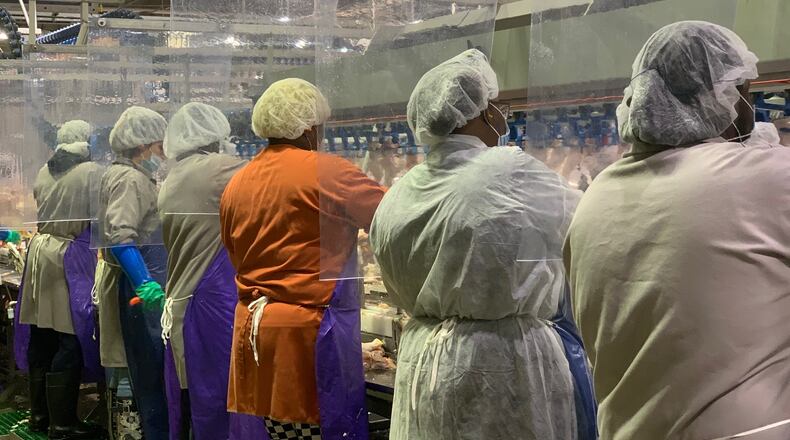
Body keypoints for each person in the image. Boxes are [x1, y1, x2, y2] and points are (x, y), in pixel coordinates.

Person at [564, 21, 790, 440]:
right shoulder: (766, 178)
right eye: (745, 89)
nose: (750, 104)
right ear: (723, 95)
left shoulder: (596, 198)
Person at [368, 49, 596, 440]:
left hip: (422, 362)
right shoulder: (507, 170)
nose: (499, 114)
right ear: (480, 112)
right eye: (493, 104)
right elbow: (587, 221)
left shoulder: (400, 191)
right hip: (502, 363)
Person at [220, 78, 386, 440]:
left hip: (257, 333)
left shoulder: (238, 182)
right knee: (319, 432)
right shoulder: (326, 171)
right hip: (309, 337)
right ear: (309, 127)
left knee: (284, 433)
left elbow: (235, 252)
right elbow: (393, 216)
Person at [157, 102, 266, 440]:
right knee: (220, 400)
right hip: (209, 304)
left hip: (184, 301)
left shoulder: (175, 175)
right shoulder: (216, 169)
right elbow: (272, 179)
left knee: (195, 401)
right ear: (214, 135)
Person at [15, 120, 103, 440]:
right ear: (86, 142)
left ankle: (39, 416)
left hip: (40, 253)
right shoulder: (91, 172)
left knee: (42, 333)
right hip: (67, 256)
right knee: (70, 336)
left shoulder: (44, 170)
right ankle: (63, 425)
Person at [94, 106, 170, 439]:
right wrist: (145, 283)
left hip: (135, 281)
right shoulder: (130, 179)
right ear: (142, 146)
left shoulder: (121, 174)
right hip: (138, 285)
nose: (162, 154)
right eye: (158, 146)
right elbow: (121, 237)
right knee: (148, 370)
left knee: (140, 368)